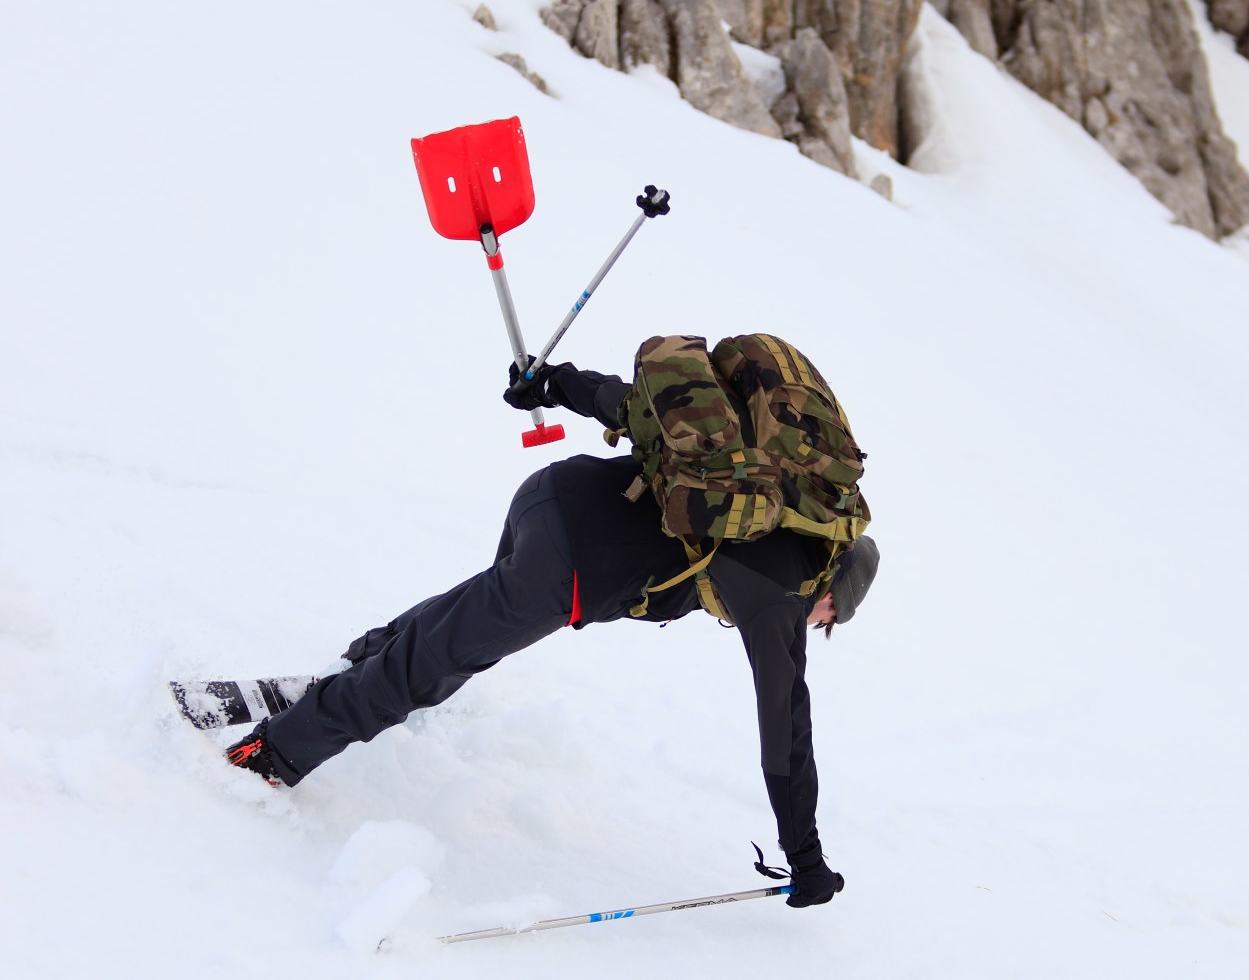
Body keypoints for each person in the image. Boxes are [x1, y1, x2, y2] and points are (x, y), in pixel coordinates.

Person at [224, 357, 880, 908]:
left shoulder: (751, 476)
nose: (816, 625)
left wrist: (553, 383)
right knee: (439, 663)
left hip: (553, 493)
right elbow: (786, 730)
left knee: (467, 615)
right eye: (828, 620)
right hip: (568, 564)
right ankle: (273, 754)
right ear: (832, 588)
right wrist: (806, 858)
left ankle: (368, 656)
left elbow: (634, 405)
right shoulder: (782, 587)